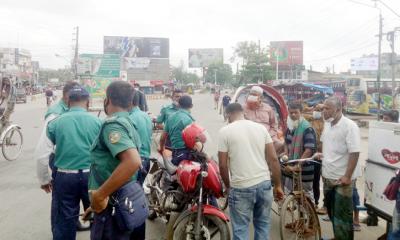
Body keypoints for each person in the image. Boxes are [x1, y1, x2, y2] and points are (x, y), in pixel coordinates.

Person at [86, 81, 145, 240]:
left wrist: (100, 195)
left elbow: (133, 161)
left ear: (108, 100)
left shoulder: (113, 125)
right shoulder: (128, 122)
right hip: (121, 199)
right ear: (131, 102)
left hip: (113, 204)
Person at [218, 103, 284, 240]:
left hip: (241, 187)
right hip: (264, 185)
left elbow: (223, 165)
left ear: (228, 114)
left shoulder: (225, 131)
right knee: (262, 225)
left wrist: (228, 186)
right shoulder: (260, 128)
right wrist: (278, 185)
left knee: (241, 229)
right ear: (243, 113)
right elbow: (273, 159)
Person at [47, 86, 102, 240]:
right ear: (88, 102)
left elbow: (44, 152)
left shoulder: (56, 122)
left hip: (65, 177)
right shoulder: (98, 122)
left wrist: (44, 178)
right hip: (92, 176)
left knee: (64, 221)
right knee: (97, 217)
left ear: (68, 101)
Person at [319, 96, 361, 240]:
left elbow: (354, 152)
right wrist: (321, 154)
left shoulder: (350, 126)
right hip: (328, 176)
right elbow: (327, 145)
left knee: (343, 215)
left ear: (338, 109)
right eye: (323, 108)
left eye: (327, 108)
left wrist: (347, 177)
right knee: (331, 212)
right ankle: (338, 237)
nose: (324, 111)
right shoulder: (327, 124)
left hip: (342, 179)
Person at [282, 102, 316, 201]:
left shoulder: (307, 128)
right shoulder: (290, 127)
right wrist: (286, 153)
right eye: (291, 113)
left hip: (304, 168)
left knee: (306, 197)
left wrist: (298, 165)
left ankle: (310, 216)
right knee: (292, 195)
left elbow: (309, 149)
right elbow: (286, 143)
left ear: (300, 112)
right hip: (291, 166)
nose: (293, 115)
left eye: (296, 113)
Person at [242, 86, 283, 152]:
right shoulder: (243, 108)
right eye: (251, 95)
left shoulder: (268, 108)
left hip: (267, 137)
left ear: (261, 97)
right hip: (249, 137)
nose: (252, 97)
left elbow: (274, 125)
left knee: (280, 144)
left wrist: (268, 135)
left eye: (255, 95)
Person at [160, 95, 194, 166]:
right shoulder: (189, 120)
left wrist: (162, 149)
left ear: (178, 104)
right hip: (185, 153)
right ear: (191, 106)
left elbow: (162, 138)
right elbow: (194, 140)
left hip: (175, 152)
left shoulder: (170, 117)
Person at [304, 103, 325, 213]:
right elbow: (301, 111)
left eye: (320, 110)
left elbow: (322, 142)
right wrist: (311, 109)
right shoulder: (309, 119)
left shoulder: (325, 123)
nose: (318, 111)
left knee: (316, 180)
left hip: (318, 155)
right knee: (307, 180)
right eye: (316, 109)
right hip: (308, 153)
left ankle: (315, 203)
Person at [129, 90, 152, 187]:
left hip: (136, 161)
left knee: (132, 194)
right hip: (146, 160)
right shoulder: (146, 116)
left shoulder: (130, 118)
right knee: (138, 191)